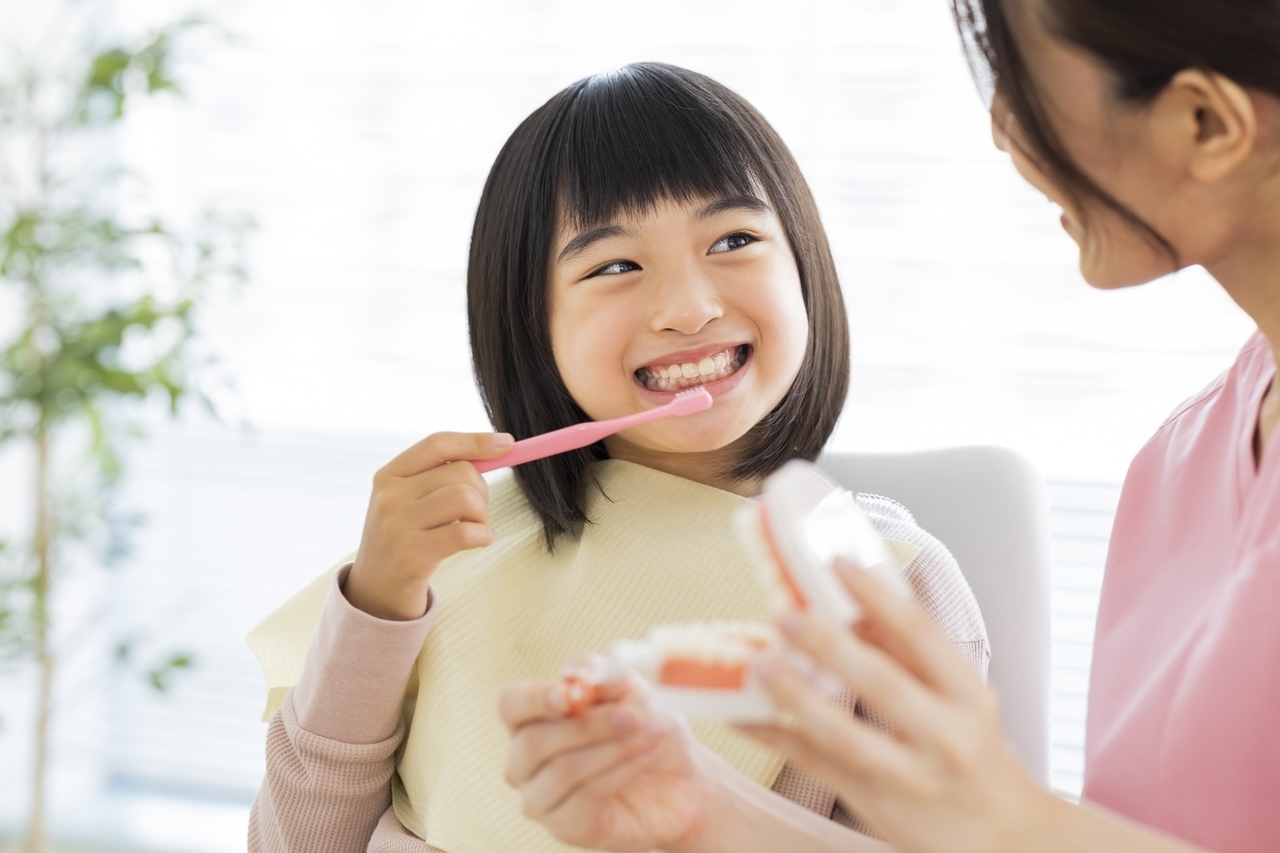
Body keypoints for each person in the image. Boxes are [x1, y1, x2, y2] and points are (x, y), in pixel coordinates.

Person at [505, 2, 1280, 851]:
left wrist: (1004, 817)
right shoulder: (1179, 464)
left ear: (1207, 124)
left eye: (1012, 74)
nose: (999, 127)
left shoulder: (918, 568)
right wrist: (710, 811)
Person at [244, 62, 988, 853]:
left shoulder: (888, 584)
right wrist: (376, 605)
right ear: (532, 324)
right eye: (614, 266)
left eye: (734, 239)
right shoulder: (451, 549)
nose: (690, 308)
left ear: (803, 262)